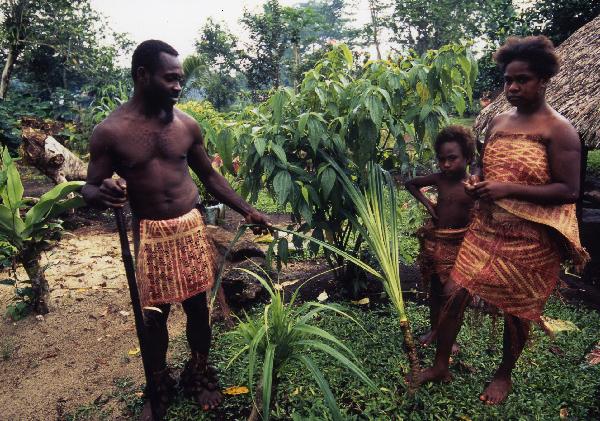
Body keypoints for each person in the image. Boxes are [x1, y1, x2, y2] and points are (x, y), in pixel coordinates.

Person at [81, 40, 270, 419]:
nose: (177, 87)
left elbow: (209, 177)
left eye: (180, 80)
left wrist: (248, 210)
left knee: (199, 310)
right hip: (151, 235)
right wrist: (103, 191)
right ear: (142, 76)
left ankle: (198, 375)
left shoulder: (186, 125)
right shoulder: (110, 132)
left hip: (191, 228)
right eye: (170, 79)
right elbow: (89, 187)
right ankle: (158, 384)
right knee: (154, 316)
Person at [414, 35, 589, 404]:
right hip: (486, 227)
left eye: (521, 79)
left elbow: (569, 190)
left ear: (543, 80)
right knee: (452, 292)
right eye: (507, 79)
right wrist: (479, 185)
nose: (511, 87)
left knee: (516, 309)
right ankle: (441, 364)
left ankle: (503, 375)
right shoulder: (496, 121)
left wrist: (507, 189)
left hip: (531, 238)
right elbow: (484, 165)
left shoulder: (559, 131)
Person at [405, 125, 476, 353]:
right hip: (437, 244)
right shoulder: (439, 179)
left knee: (453, 298)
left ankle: (449, 338)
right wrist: (428, 203)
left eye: (452, 158)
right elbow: (411, 184)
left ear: (467, 157)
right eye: (442, 159)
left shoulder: (473, 185)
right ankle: (435, 329)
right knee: (435, 292)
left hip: (462, 248)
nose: (446, 164)